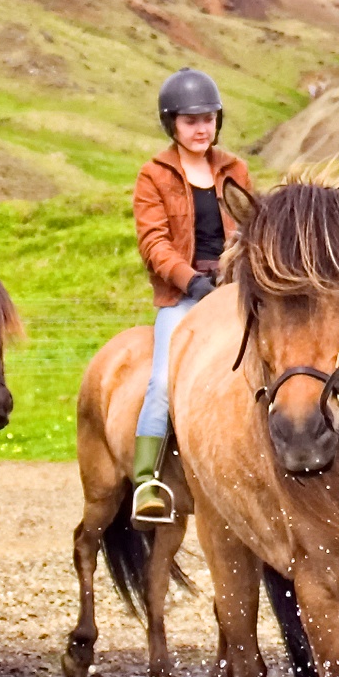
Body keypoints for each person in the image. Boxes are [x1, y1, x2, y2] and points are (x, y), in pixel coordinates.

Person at [125, 68, 255, 526]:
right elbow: (153, 243)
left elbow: (253, 226)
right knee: (162, 383)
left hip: (236, 288)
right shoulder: (153, 176)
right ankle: (146, 481)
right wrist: (190, 281)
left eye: (208, 119)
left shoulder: (235, 169)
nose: (201, 129)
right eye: (189, 121)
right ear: (171, 125)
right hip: (183, 296)